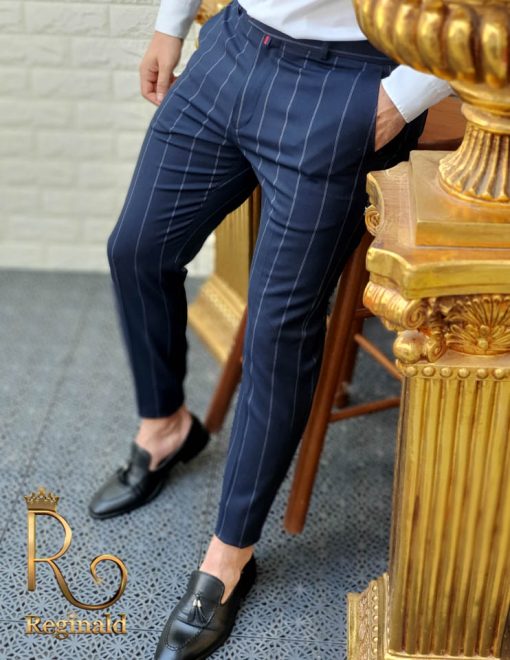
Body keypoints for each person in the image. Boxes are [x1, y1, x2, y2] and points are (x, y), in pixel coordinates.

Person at [89, 1, 450, 657]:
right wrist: (170, 24)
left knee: (278, 330)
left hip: (351, 79)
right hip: (233, 45)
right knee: (137, 250)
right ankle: (165, 428)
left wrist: (400, 99)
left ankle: (228, 557)